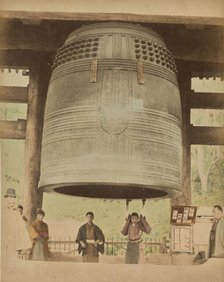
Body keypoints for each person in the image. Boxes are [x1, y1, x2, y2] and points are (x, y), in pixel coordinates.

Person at [2, 188, 32, 260]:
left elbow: (22, 230)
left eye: (13, 198)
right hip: (3, 240)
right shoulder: (2, 211)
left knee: (12, 259)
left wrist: (24, 246)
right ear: (6, 199)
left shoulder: (16, 213)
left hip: (14, 242)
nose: (11, 200)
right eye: (9, 198)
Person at [121, 199, 151, 264]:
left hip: (137, 244)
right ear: (131, 219)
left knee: (138, 260)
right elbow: (127, 214)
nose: (134, 220)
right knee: (129, 260)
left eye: (135, 218)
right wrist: (127, 204)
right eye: (132, 218)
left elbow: (142, 215)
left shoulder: (140, 224)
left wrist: (143, 204)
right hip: (130, 244)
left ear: (138, 219)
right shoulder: (128, 224)